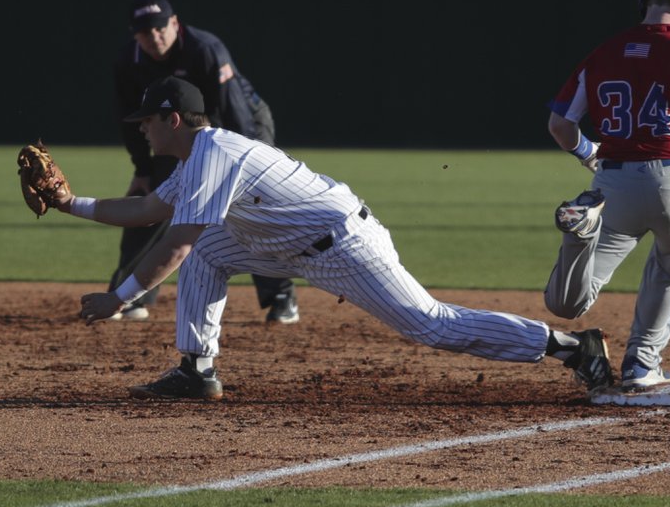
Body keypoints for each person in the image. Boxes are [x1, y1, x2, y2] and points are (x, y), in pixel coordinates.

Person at [62, 76, 613, 400]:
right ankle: (196, 368)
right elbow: (145, 210)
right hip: (286, 246)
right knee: (211, 251)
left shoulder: (216, 151)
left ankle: (571, 347)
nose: (141, 128)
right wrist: (69, 203)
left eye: (147, 120)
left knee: (430, 324)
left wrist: (120, 297)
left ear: (173, 118)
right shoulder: (192, 161)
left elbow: (175, 240)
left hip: (342, 243)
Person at [545, 0, 670, 389]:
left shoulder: (604, 50)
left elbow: (559, 125)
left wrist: (589, 152)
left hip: (612, 184)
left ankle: (580, 236)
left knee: (569, 304)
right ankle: (641, 363)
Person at [110, 0, 301, 323]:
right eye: (144, 32)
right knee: (150, 197)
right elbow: (134, 121)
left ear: (174, 23)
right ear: (134, 34)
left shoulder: (204, 49)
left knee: (252, 205)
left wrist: (251, 165)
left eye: (159, 28)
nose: (153, 36)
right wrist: (143, 169)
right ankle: (129, 294)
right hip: (178, 131)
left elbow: (235, 113)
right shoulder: (129, 61)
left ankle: (280, 295)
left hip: (240, 122)